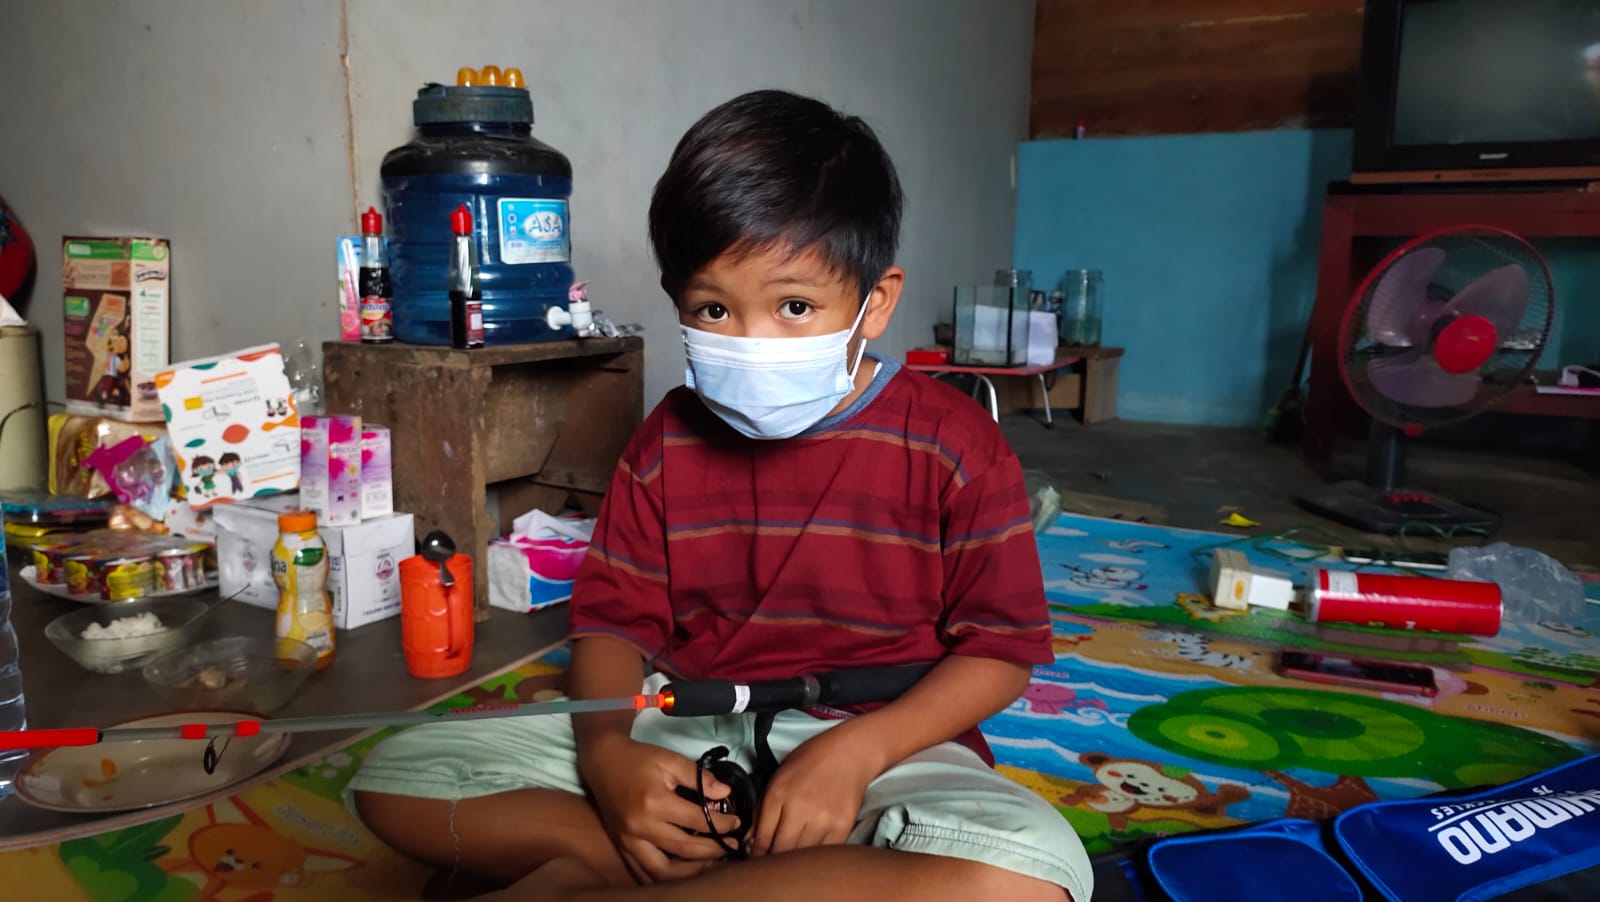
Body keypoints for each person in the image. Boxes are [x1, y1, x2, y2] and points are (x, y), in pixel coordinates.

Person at [348, 89, 1091, 902]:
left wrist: (857, 754)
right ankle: (737, 878)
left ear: (874, 302)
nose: (751, 341)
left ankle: (613, 881)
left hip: (884, 747)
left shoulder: (956, 444)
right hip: (686, 729)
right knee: (398, 778)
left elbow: (1000, 652)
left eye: (795, 306)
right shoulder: (666, 442)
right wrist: (610, 758)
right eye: (713, 309)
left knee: (1031, 877)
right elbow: (611, 625)